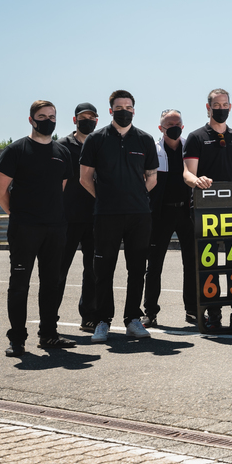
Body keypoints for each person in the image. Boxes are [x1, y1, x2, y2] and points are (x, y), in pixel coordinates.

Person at [0, 100, 75, 356]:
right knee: (20, 284)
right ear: (31, 119)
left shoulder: (62, 153)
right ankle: (17, 339)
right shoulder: (16, 150)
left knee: (51, 282)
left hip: (55, 228)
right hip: (24, 229)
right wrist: (17, 214)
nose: (48, 120)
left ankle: (48, 335)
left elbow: (59, 188)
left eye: (52, 116)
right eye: (42, 116)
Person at [79, 90, 159, 343]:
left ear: (134, 110)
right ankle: (102, 321)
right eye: (119, 107)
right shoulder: (96, 139)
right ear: (111, 110)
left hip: (139, 215)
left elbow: (152, 177)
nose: (124, 110)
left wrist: (134, 196)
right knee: (103, 269)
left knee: (137, 269)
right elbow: (84, 178)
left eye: (128, 107)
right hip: (106, 215)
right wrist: (106, 198)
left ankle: (132, 319)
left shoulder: (145, 140)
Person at [183, 88, 232, 329]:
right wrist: (197, 181)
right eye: (216, 105)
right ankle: (213, 314)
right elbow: (187, 173)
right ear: (208, 107)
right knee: (209, 263)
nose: (221, 108)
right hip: (205, 211)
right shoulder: (196, 137)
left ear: (230, 107)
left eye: (225, 104)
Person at [143, 109, 197, 327]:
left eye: (178, 123)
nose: (175, 128)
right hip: (161, 215)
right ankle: (150, 312)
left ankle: (192, 310)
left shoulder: (190, 147)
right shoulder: (152, 150)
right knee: (154, 265)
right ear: (160, 128)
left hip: (187, 213)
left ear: (183, 125)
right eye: (169, 125)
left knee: (191, 264)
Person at [56, 102, 99, 334]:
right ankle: (50, 316)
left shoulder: (100, 145)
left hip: (94, 217)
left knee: (92, 270)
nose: (88, 121)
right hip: (67, 218)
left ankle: (89, 316)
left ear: (97, 121)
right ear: (75, 120)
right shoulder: (62, 146)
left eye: (92, 117)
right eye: (83, 117)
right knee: (59, 269)